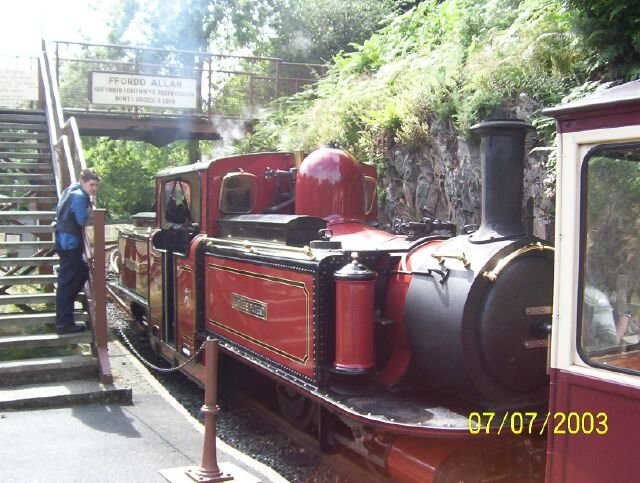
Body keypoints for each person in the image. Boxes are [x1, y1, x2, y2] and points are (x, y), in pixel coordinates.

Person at [54, 168, 100, 334]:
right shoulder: (80, 196)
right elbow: (82, 220)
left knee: (81, 272)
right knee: (67, 283)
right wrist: (90, 211)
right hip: (70, 243)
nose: (94, 189)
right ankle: (63, 323)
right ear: (83, 182)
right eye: (92, 185)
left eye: (96, 186)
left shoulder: (70, 189)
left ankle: (65, 316)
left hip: (63, 241)